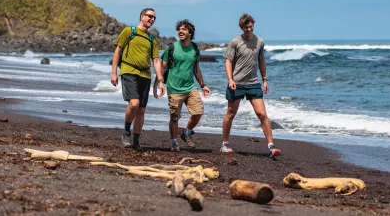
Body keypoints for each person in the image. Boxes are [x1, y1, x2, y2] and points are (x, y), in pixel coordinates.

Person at [220, 13, 282, 158]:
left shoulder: (259, 42)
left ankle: (271, 146)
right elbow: (228, 61)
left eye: (251, 26)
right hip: (237, 83)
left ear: (253, 25)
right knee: (230, 113)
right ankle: (225, 143)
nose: (249, 29)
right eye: (246, 27)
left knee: (262, 114)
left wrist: (265, 79)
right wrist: (230, 79)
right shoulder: (235, 42)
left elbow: (261, 61)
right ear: (241, 27)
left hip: (253, 83)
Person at [154, 20, 211, 152]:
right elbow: (162, 67)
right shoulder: (171, 48)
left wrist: (203, 85)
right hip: (174, 89)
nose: (180, 31)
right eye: (179, 29)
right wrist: (160, 84)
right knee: (174, 117)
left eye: (184, 29)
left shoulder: (195, 49)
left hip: (190, 87)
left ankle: (186, 132)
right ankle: (174, 142)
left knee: (198, 112)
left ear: (190, 33)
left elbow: (196, 69)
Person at [111, 8, 163, 150]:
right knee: (134, 103)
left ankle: (136, 139)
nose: (152, 19)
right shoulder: (129, 31)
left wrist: (160, 81)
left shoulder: (151, 39)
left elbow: (156, 60)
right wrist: (114, 72)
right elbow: (118, 50)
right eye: (150, 16)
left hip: (145, 75)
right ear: (142, 16)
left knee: (141, 110)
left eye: (154, 18)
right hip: (129, 71)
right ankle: (126, 132)